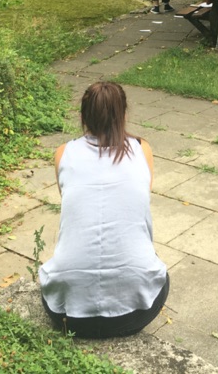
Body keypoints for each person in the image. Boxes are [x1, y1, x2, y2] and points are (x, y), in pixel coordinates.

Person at [39, 82, 169, 339]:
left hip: (67, 314)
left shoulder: (63, 153)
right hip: (135, 315)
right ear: (124, 115)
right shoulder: (142, 149)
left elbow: (68, 198)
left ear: (83, 117)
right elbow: (140, 200)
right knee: (156, 266)